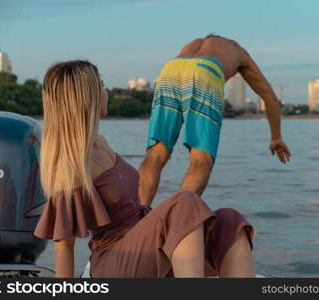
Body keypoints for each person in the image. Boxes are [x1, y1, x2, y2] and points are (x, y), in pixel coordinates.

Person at [34, 60, 256, 278]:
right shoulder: (69, 164)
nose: (106, 92)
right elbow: (64, 244)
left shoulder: (100, 143)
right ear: (86, 97)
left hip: (143, 244)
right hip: (116, 259)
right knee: (185, 203)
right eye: (101, 85)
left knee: (229, 221)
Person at [139, 34, 291, 207]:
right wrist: (276, 137)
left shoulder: (192, 44)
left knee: (156, 153)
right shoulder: (237, 49)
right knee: (201, 159)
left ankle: (138, 214)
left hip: (170, 70)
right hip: (206, 70)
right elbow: (269, 97)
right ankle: (178, 218)